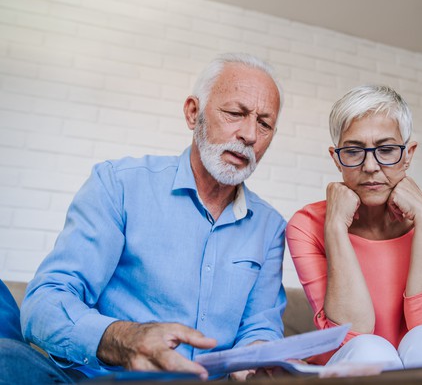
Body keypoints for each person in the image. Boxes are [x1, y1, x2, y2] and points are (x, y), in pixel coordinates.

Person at [6, 53, 287, 383]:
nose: (250, 135)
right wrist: (124, 340)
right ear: (193, 113)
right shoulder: (119, 184)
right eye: (235, 113)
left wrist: (256, 352)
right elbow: (45, 302)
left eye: (264, 123)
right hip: (105, 378)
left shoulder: (270, 228)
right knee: (7, 359)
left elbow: (261, 324)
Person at [286, 84, 422, 370]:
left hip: (421, 360)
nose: (370, 166)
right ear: (336, 159)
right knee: (370, 349)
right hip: (353, 359)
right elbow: (352, 333)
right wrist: (335, 227)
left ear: (408, 154)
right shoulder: (306, 225)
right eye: (354, 151)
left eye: (386, 149)